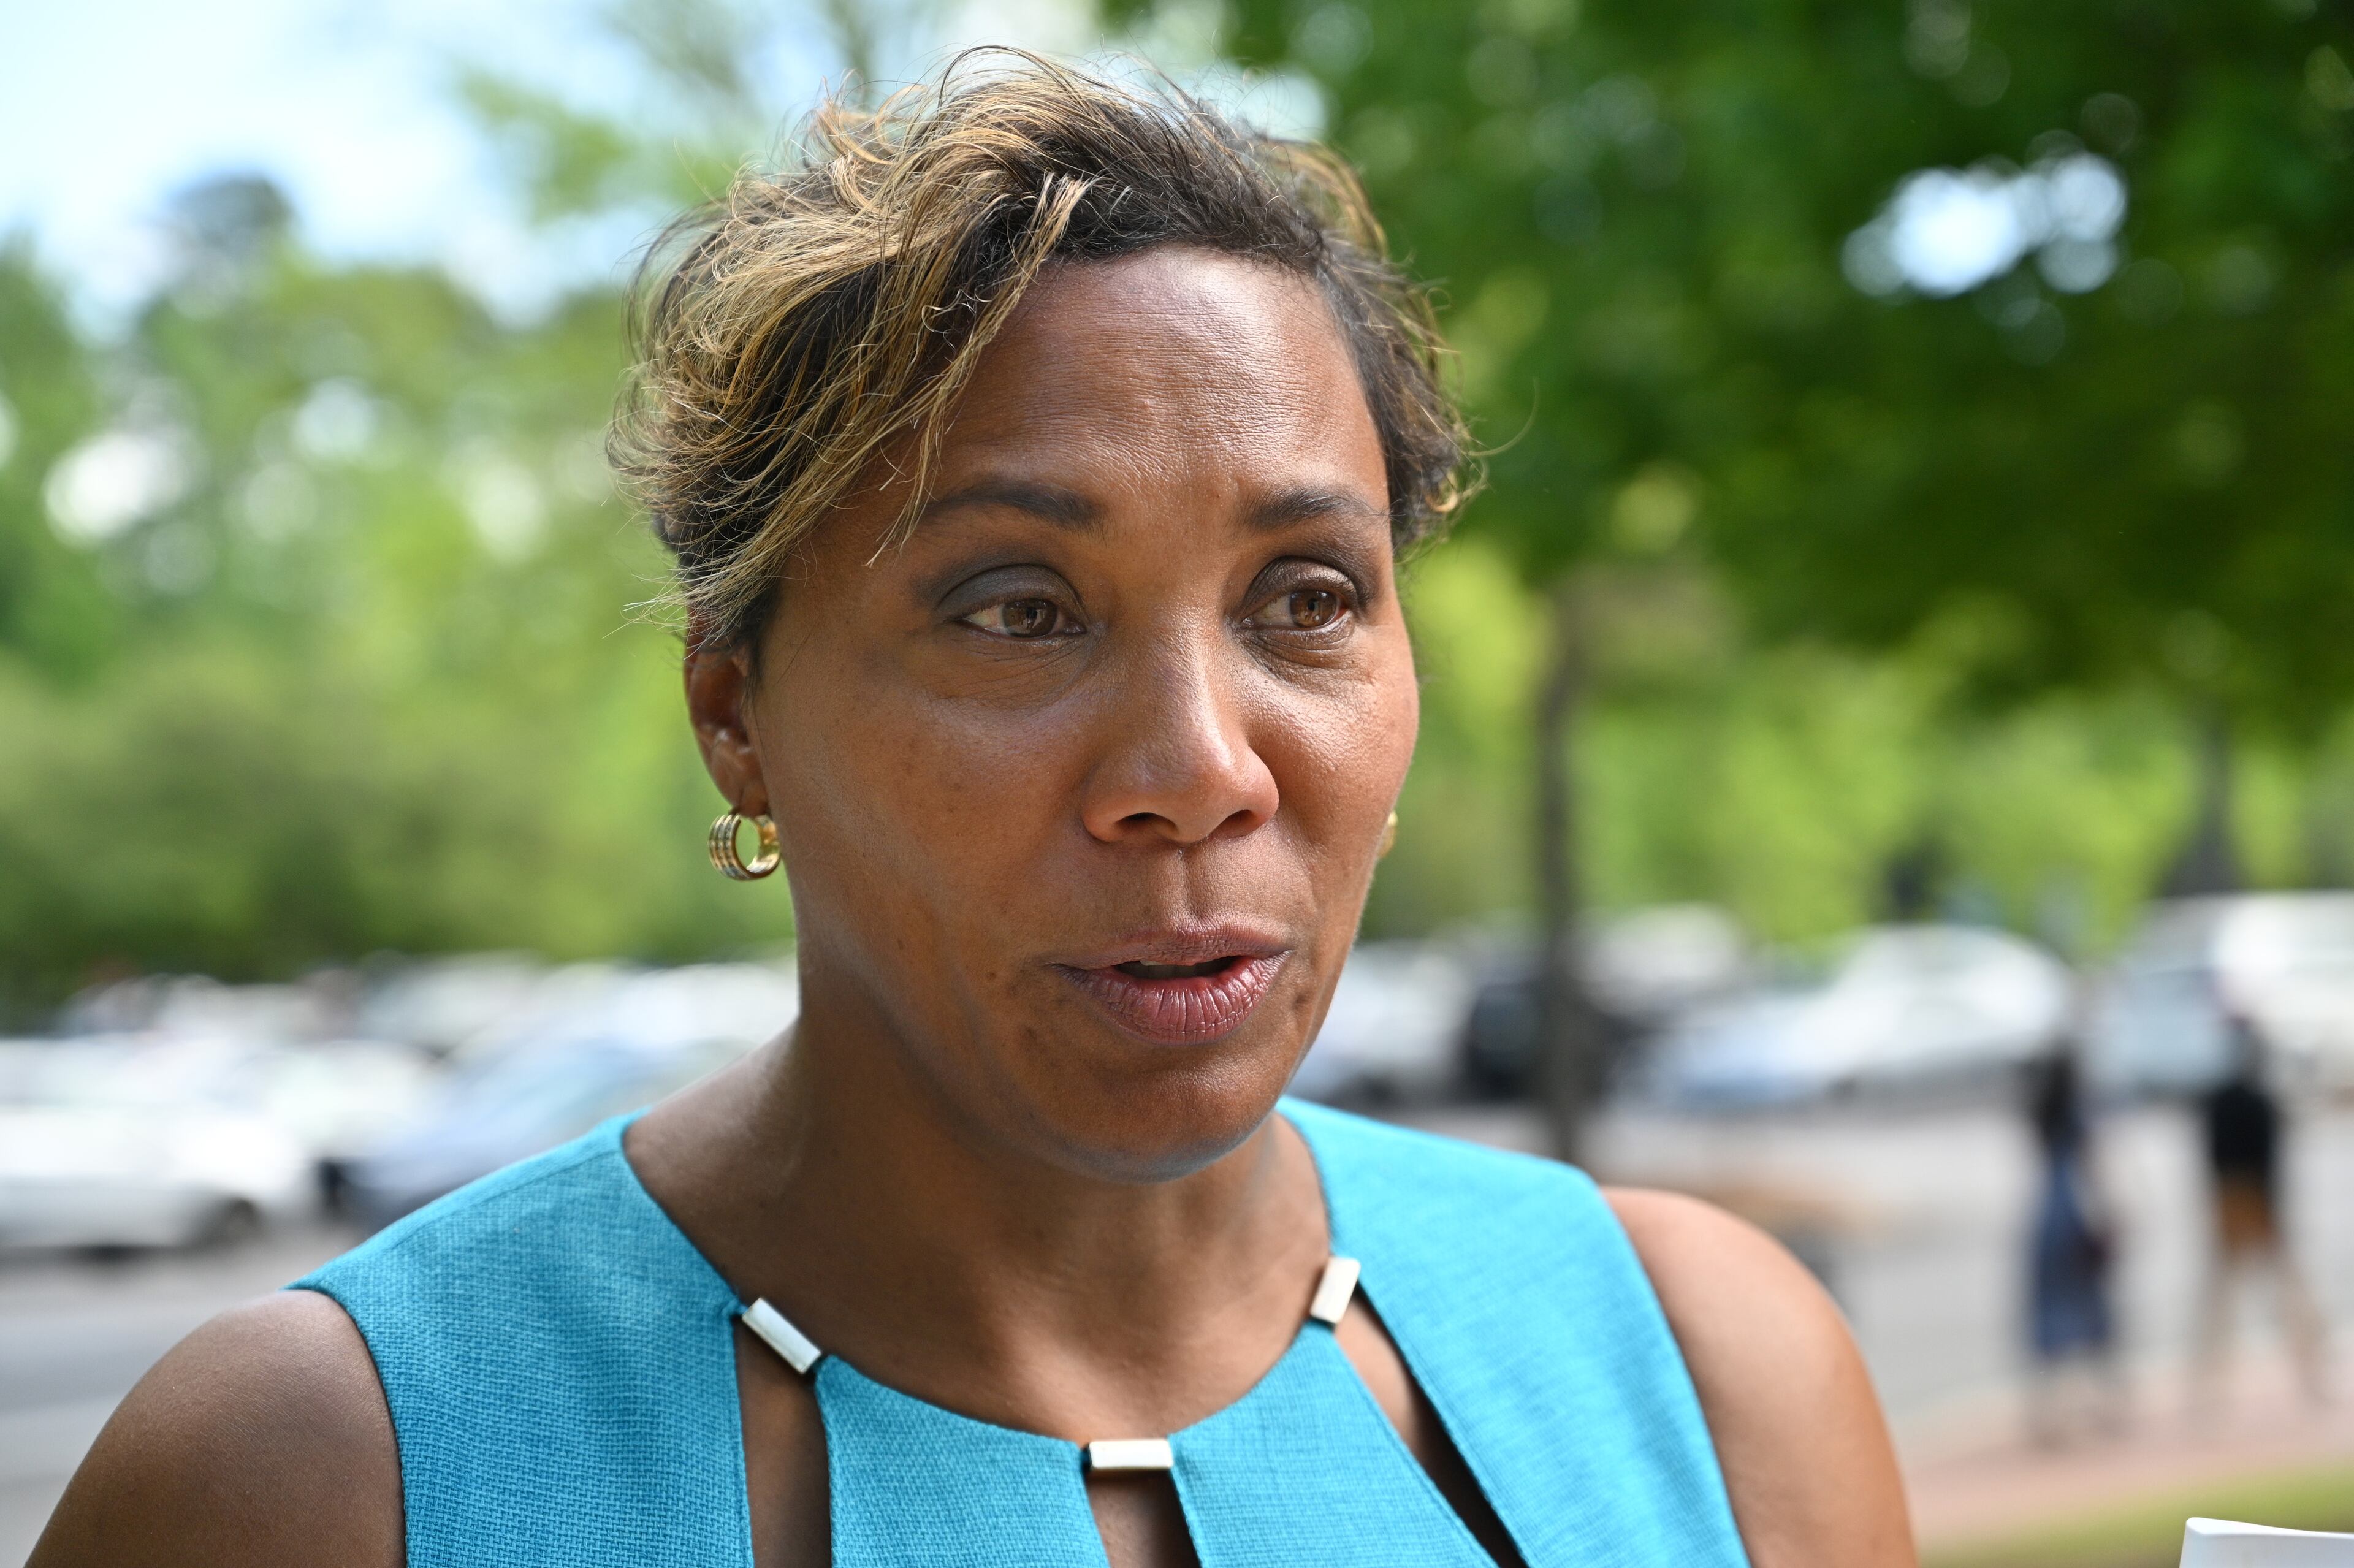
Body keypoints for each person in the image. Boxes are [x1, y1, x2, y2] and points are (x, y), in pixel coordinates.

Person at [31, 56, 1913, 1568]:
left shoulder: (1696, 1371)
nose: (1198, 766)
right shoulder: (327, 1474)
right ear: (734, 716)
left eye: (1304, 600)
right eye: (1014, 610)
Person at [2193, 1011, 2328, 1406]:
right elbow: (2259, 1163)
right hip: (2247, 1201)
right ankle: (2211, 1388)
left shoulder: (2228, 1099)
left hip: (2238, 1200)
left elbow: (2215, 1160)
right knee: (2241, 1298)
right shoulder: (2249, 1100)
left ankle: (2308, 1375)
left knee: (2255, 1298)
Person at [2021, 1043, 2122, 1444]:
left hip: (2047, 1215)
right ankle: (2091, 1408)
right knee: (2087, 1311)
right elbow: (2094, 1171)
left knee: (2053, 1314)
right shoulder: (2078, 1117)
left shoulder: (2040, 1112)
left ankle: (2053, 1415)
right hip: (2076, 1214)